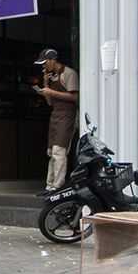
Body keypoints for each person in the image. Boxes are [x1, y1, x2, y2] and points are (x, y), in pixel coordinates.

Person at [37, 48, 80, 191]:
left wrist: (51, 92)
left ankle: (57, 186)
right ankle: (49, 186)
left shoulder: (69, 74)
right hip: (55, 115)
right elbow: (50, 102)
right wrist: (46, 85)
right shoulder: (50, 77)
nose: (43, 66)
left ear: (52, 60)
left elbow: (74, 97)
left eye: (45, 63)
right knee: (51, 153)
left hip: (68, 116)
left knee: (59, 152)